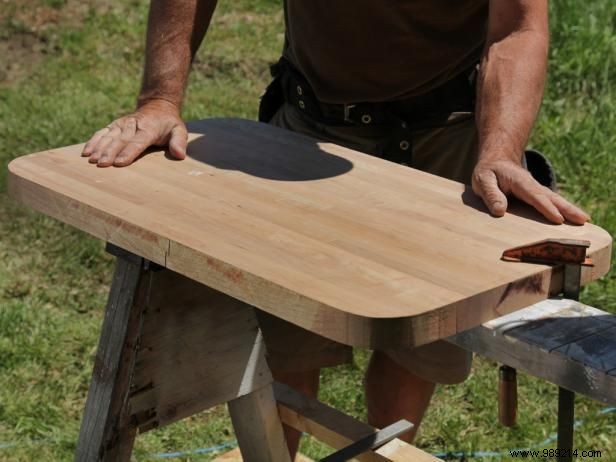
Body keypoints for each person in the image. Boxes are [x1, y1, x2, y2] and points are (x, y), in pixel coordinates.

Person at [81, 0, 590, 457]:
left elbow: (518, 25)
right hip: (311, 117)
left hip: (447, 135)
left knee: (423, 335)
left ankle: (382, 453)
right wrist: (159, 100)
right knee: (285, 333)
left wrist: (500, 149)